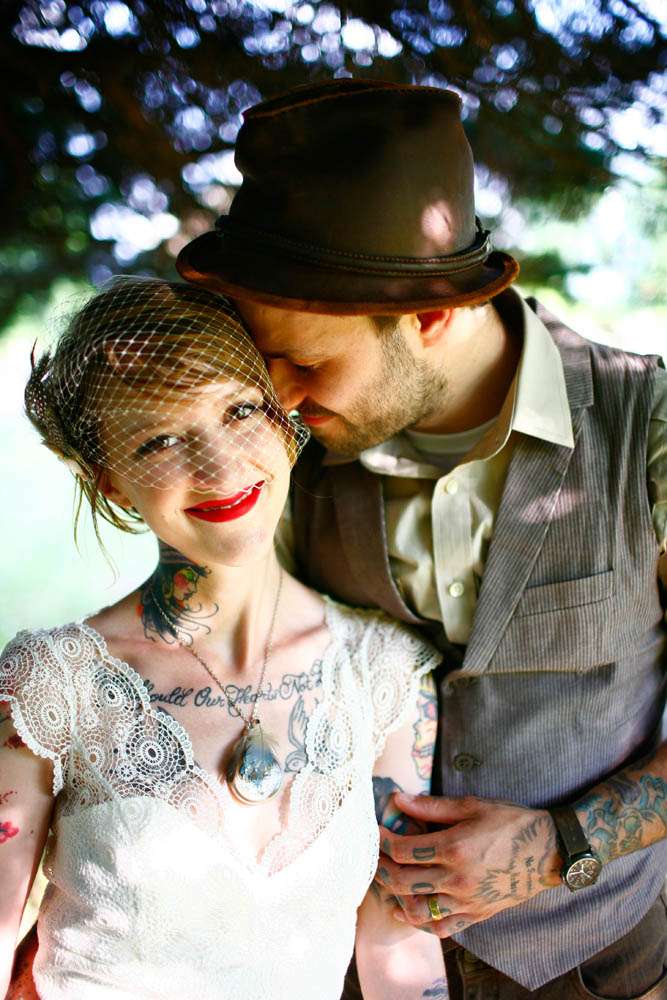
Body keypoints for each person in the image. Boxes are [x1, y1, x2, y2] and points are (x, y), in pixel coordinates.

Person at [176, 79, 667, 998]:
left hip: (600, 964)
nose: (278, 397)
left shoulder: (648, 428)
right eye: (261, 358)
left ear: (431, 314)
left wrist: (563, 844)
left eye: (307, 361)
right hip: (347, 963)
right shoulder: (286, 450)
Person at [0, 277, 448, 999]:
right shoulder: (51, 684)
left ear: (285, 421)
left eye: (239, 410)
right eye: (159, 440)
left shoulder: (382, 673)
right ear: (111, 482)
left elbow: (399, 953)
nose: (219, 462)